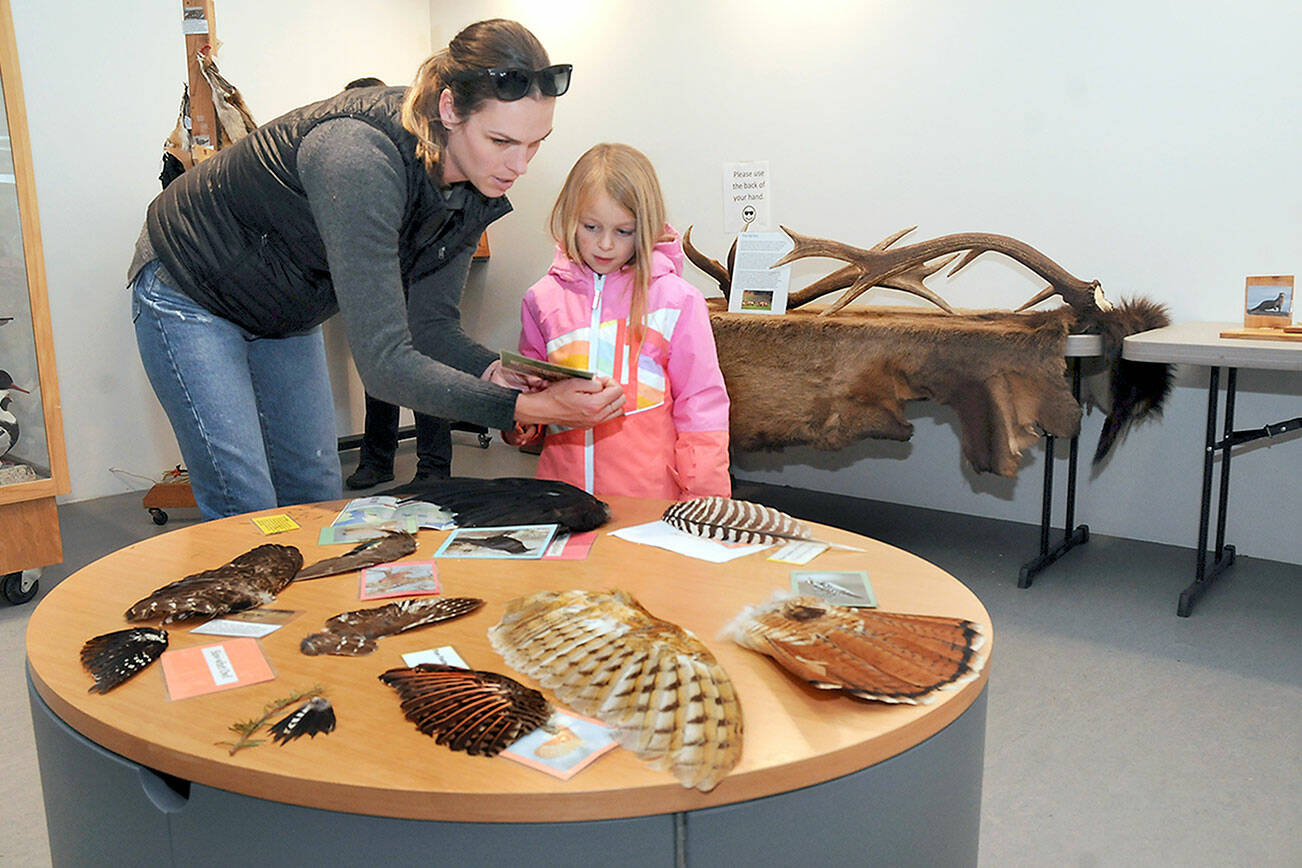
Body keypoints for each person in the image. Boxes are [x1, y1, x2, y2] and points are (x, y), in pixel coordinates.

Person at [127, 19, 625, 520]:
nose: (520, 165)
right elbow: (384, 365)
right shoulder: (358, 156)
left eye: (535, 142)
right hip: (191, 285)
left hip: (285, 303)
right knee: (245, 502)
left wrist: (499, 375)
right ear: (450, 108)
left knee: (314, 491)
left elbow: (429, 329)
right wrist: (524, 409)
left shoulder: (478, 181)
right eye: (501, 141)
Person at [508, 143, 731, 499]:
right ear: (569, 218)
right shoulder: (542, 299)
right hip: (561, 496)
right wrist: (519, 424)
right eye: (591, 226)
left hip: (649, 500)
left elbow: (702, 407)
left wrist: (704, 501)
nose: (606, 245)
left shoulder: (677, 300)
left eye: (623, 231)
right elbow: (532, 393)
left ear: (645, 228)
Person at [337, 76, 451, 490]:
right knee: (379, 367)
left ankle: (435, 467)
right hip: (378, 275)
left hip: (419, 270)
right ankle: (379, 461)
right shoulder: (348, 159)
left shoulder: (413, 151)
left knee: (426, 368)